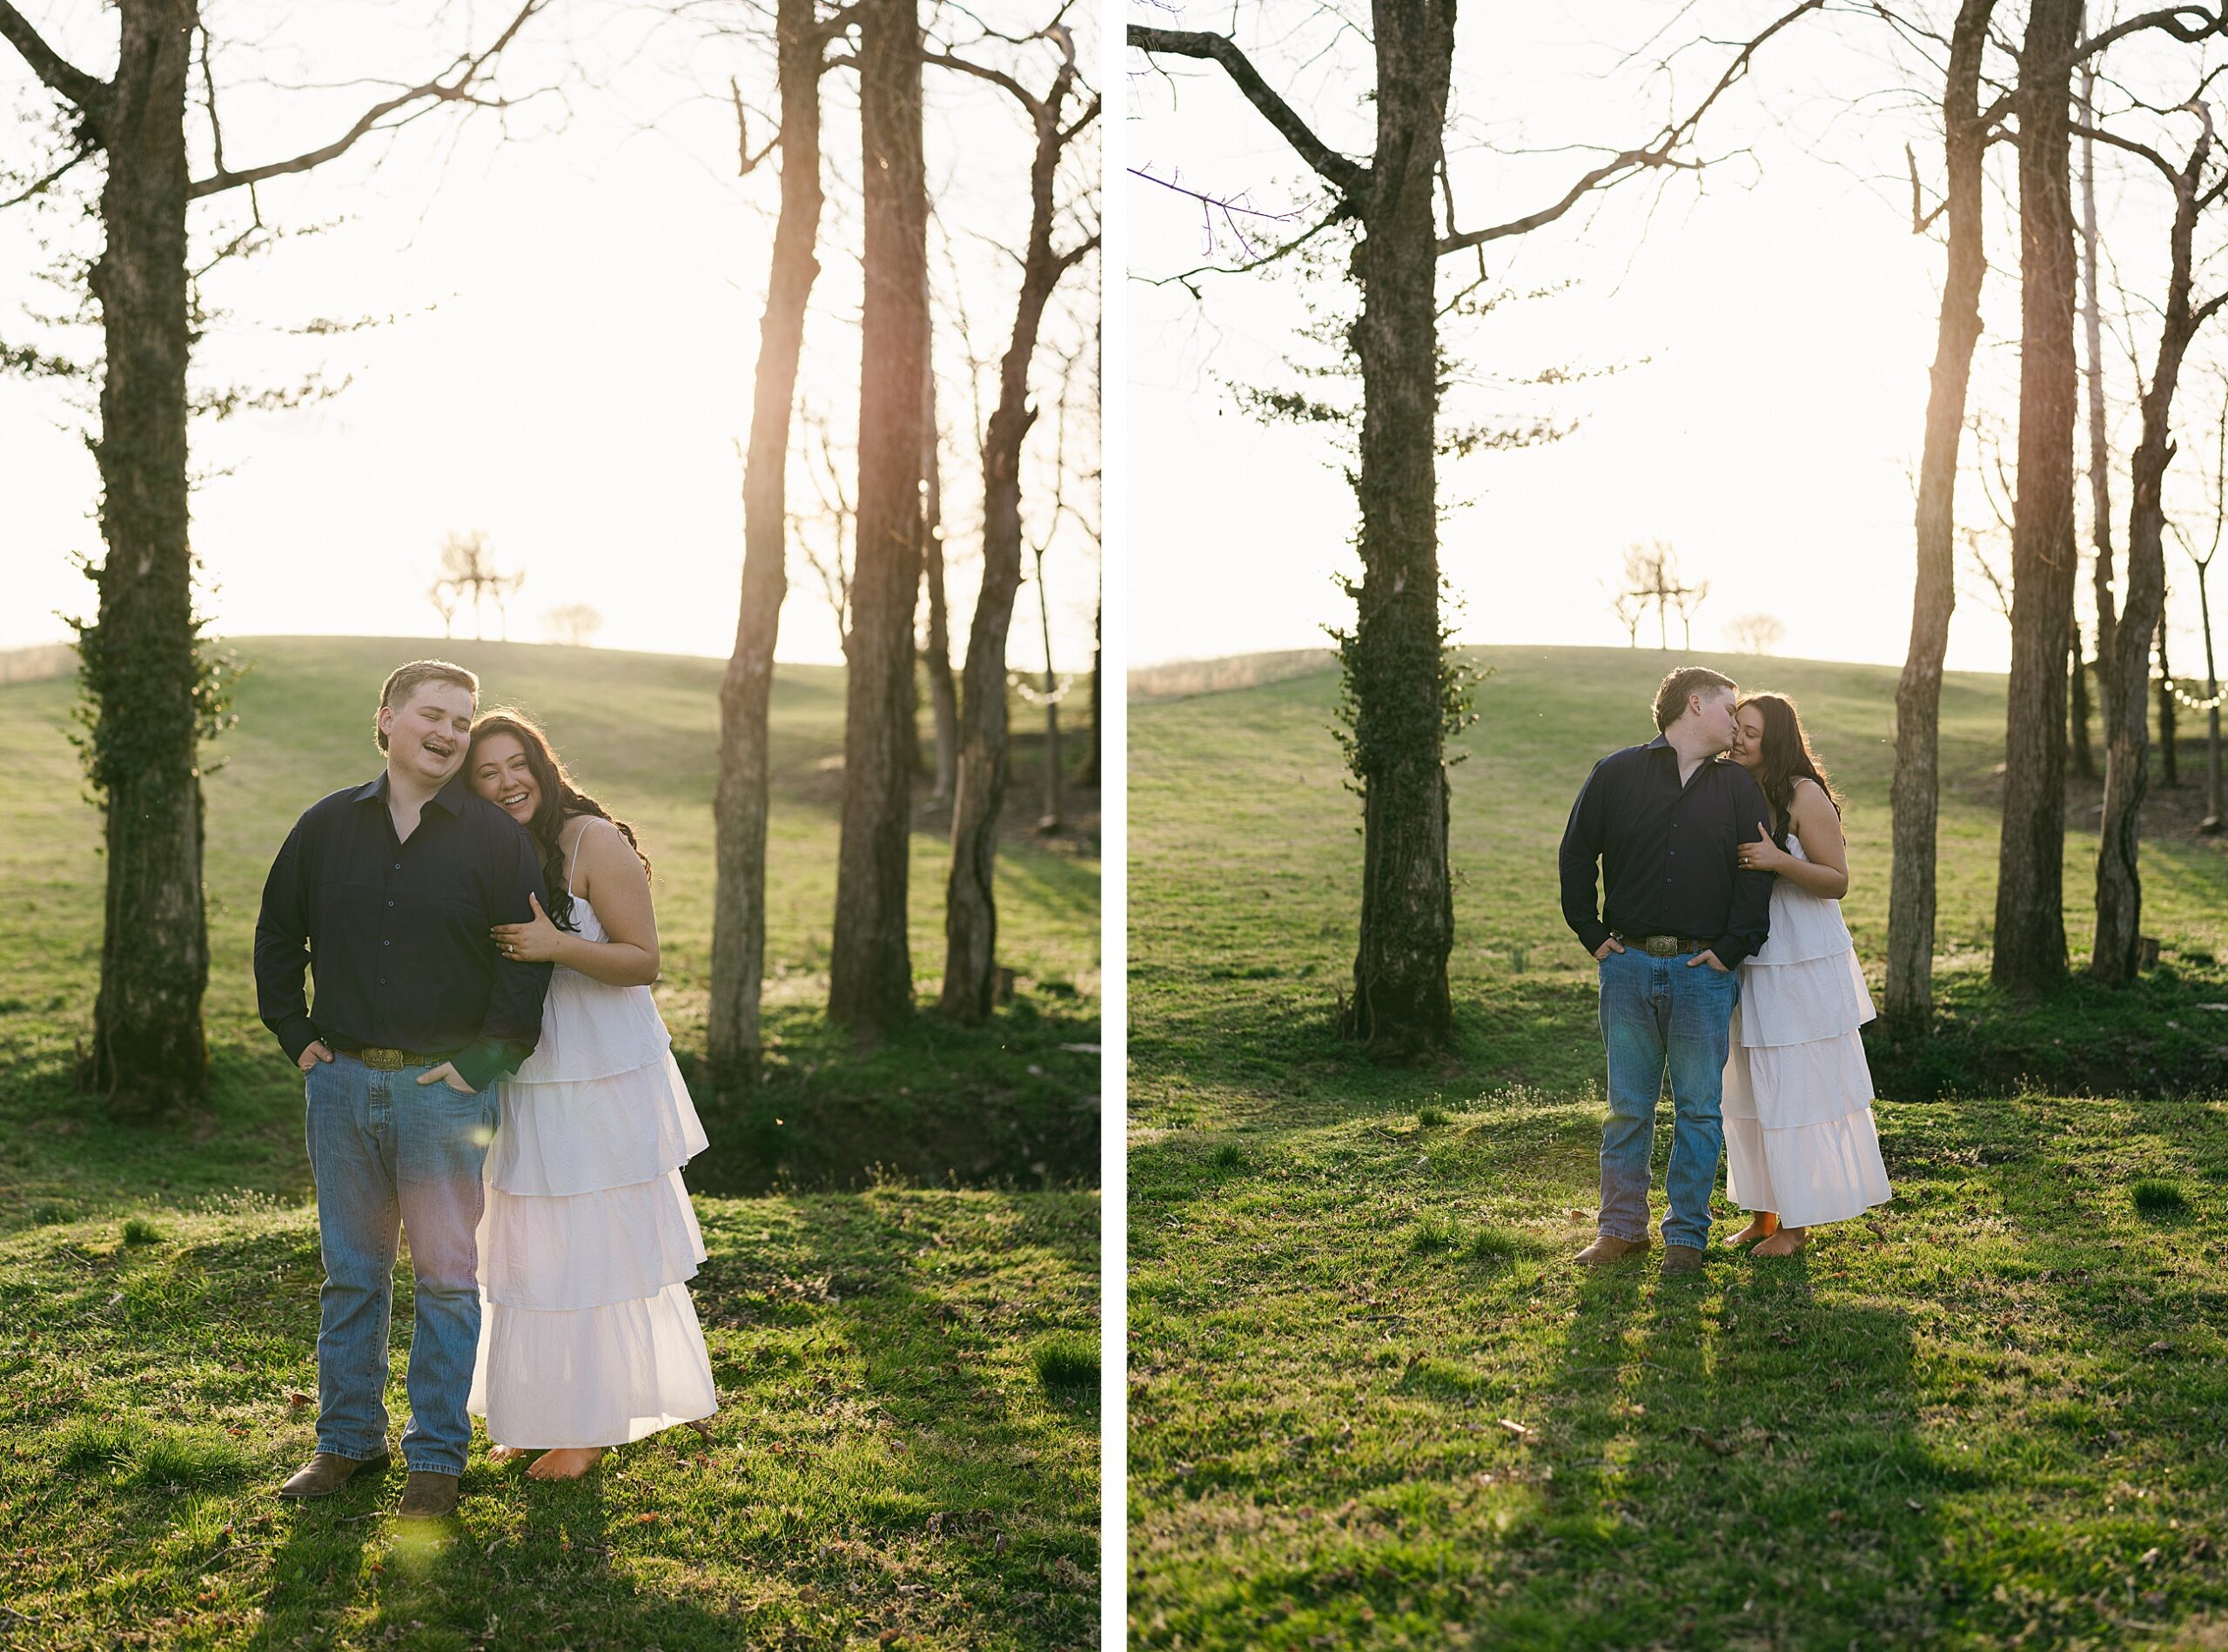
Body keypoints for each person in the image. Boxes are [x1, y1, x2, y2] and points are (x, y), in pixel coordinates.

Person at [254, 660, 551, 1519]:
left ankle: (435, 1461)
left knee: (449, 1280)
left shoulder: (493, 836)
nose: (452, 733)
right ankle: (346, 1443)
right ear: (386, 718)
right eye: (433, 714)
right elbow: (279, 932)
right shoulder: (324, 826)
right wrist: (295, 1033)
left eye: (463, 720)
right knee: (353, 1273)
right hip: (341, 1083)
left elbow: (524, 951)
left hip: (444, 1092)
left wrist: (485, 1061)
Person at [461, 710, 716, 1479]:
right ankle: (541, 1411)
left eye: (517, 766)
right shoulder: (497, 848)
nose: (506, 783)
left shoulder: (590, 840)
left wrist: (556, 945)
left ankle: (590, 1425)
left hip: (600, 1067)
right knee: (532, 1240)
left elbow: (643, 960)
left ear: (542, 765)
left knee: (594, 1242)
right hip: (531, 1067)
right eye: (487, 773)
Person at [1558, 665, 1775, 1277]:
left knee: (1700, 1110)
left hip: (1704, 972)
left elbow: (1754, 871)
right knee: (1628, 1107)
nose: (1737, 723)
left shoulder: (1737, 788)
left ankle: (1686, 1237)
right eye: (1730, 709)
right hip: (1626, 968)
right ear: (1696, 704)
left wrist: (1733, 948)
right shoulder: (1617, 773)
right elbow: (1577, 853)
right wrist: (1592, 934)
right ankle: (1621, 1230)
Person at [1717, 693, 1892, 1257]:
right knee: (1748, 1087)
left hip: (1800, 961)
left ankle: (1796, 1225)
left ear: (1776, 739)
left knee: (1793, 1089)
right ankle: (1762, 1214)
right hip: (1752, 958)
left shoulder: (1802, 792)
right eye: (1735, 727)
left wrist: (1778, 863)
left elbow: (1836, 879)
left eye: (1748, 730)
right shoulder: (1738, 789)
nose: (1737, 738)